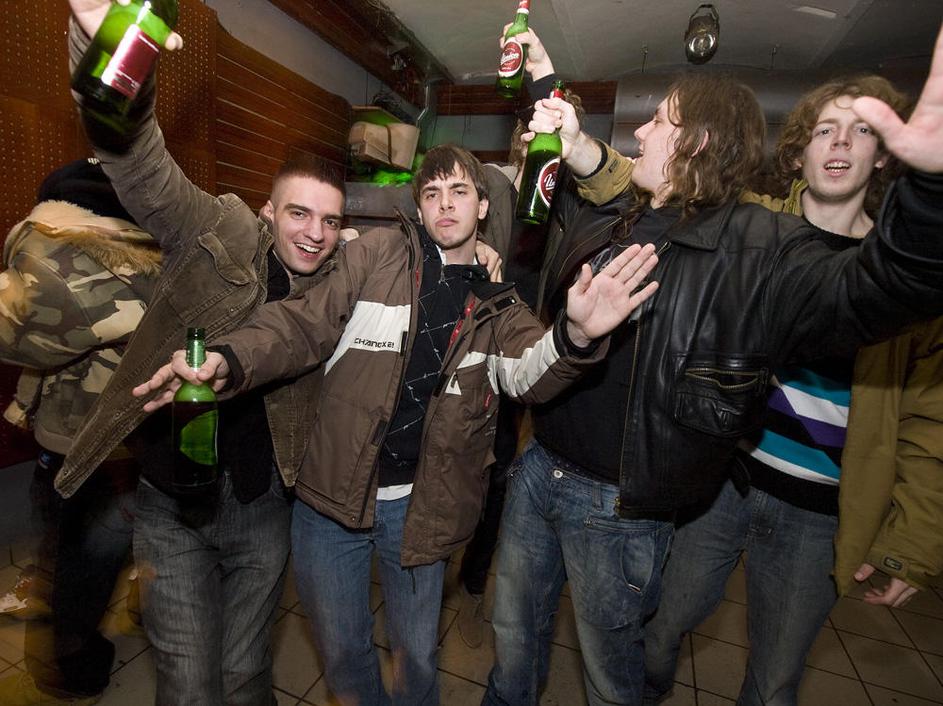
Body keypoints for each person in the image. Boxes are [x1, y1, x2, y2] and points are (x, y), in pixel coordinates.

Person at [482, 23, 943, 706]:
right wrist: (546, 85)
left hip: (619, 506)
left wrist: (930, 192)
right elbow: (585, 161)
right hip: (538, 469)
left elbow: (877, 291)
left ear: (695, 141)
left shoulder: (762, 248)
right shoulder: (624, 212)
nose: (641, 132)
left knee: (612, 677)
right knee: (511, 641)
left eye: (658, 121)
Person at [132, 142, 662, 706]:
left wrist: (575, 336)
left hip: (421, 508)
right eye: (432, 193)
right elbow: (302, 324)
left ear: (483, 206)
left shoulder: (498, 307)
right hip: (330, 501)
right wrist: (230, 358)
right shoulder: (376, 255)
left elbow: (529, 374)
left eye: (459, 191)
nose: (445, 204)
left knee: (416, 658)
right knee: (342, 655)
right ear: (420, 207)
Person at [60, 2, 347, 703]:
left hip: (263, 509)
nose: (314, 233)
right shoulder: (217, 229)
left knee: (245, 677)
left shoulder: (337, 290)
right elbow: (140, 166)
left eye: (330, 220)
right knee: (188, 684)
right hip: (171, 508)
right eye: (299, 212)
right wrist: (108, 51)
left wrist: (475, 253)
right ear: (268, 211)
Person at [641, 75, 943, 705]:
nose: (841, 142)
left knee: (776, 678)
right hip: (722, 481)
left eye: (861, 130)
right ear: (801, 149)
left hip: (820, 514)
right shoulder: (748, 228)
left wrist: (910, 543)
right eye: (824, 129)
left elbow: (928, 419)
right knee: (660, 626)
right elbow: (668, 184)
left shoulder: (903, 279)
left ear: (883, 154)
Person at [0, 158, 159, 705]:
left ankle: (70, 671)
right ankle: (139, 616)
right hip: (131, 434)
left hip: (85, 440)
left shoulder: (60, 259)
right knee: (125, 541)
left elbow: (16, 331)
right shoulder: (151, 255)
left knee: (78, 560)